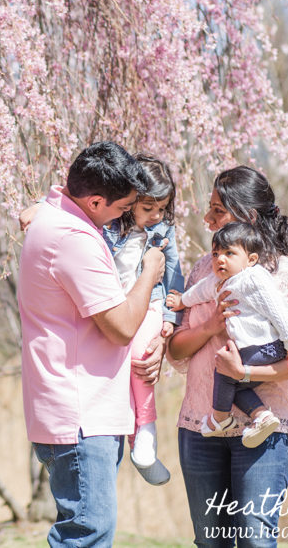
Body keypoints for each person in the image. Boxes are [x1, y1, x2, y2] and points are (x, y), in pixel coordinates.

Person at [18, 141, 169, 547]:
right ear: (96, 200)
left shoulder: (53, 215)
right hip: (82, 415)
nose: (123, 217)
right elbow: (120, 326)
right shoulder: (75, 239)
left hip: (76, 410)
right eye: (121, 209)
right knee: (88, 534)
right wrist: (150, 272)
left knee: (85, 530)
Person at [166, 166, 288, 548]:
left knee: (254, 540)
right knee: (210, 542)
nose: (207, 218)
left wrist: (243, 371)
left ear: (247, 216)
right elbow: (177, 351)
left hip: (265, 431)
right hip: (202, 427)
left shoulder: (286, 276)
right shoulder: (205, 268)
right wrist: (210, 327)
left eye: (217, 210)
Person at [166, 221, 288, 448]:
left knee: (225, 371)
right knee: (233, 383)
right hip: (250, 349)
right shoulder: (219, 282)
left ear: (251, 260)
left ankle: (220, 418)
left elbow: (279, 314)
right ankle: (261, 416)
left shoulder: (253, 279)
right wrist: (181, 301)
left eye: (229, 253)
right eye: (216, 253)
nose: (220, 259)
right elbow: (199, 292)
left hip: (267, 347)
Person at [101, 154, 184, 483]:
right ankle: (135, 440)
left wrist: (170, 317)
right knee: (119, 369)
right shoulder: (108, 226)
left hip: (150, 302)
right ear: (131, 199)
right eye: (148, 208)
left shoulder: (164, 232)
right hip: (115, 304)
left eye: (161, 209)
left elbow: (175, 273)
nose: (155, 216)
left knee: (142, 357)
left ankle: (147, 431)